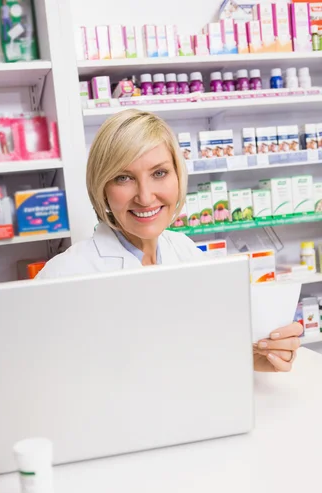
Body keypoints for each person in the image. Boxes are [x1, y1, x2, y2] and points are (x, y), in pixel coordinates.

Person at [38, 109, 302, 372]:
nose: (145, 196)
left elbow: (199, 349)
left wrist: (253, 356)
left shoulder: (186, 252)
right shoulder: (62, 277)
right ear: (102, 188)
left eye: (159, 173)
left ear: (178, 175)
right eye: (123, 178)